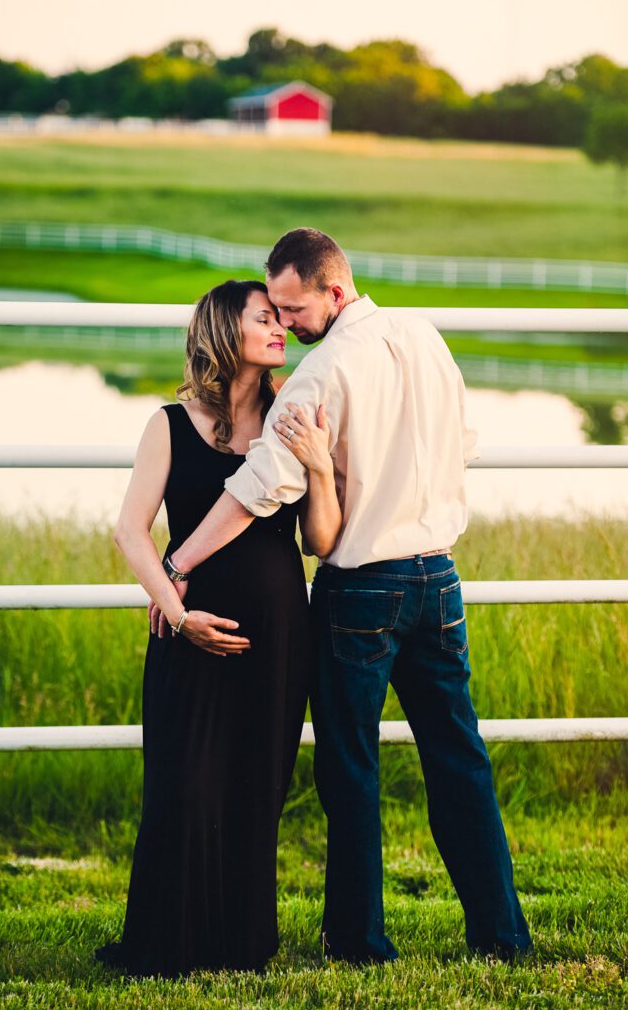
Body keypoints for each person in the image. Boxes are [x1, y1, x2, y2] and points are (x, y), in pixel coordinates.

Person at [154, 228, 533, 965]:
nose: (286, 323)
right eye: (276, 311)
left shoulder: (319, 374)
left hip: (362, 588)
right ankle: (501, 934)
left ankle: (358, 941)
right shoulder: (425, 337)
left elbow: (259, 489)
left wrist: (180, 559)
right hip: (438, 578)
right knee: (459, 757)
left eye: (294, 309)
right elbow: (464, 444)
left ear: (333, 290)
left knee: (350, 767)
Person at [95, 279, 341, 979]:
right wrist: (177, 614)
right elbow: (130, 530)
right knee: (185, 783)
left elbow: (319, 541)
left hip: (277, 633)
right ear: (223, 331)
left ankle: (241, 944)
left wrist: (321, 469)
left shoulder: (292, 415)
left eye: (280, 317)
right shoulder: (170, 423)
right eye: (263, 318)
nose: (279, 327)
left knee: (256, 786)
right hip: (189, 629)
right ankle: (168, 942)